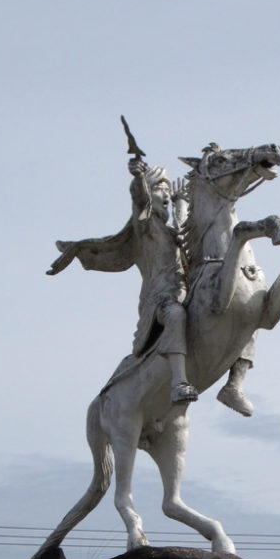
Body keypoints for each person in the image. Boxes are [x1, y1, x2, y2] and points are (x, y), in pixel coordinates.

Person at [47, 156, 198, 406]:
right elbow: (140, 200)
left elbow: (184, 235)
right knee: (175, 315)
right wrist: (138, 177)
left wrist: (182, 202)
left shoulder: (171, 232)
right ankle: (179, 382)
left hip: (185, 293)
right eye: (160, 190)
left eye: (167, 192)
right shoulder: (146, 227)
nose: (166, 195)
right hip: (160, 300)